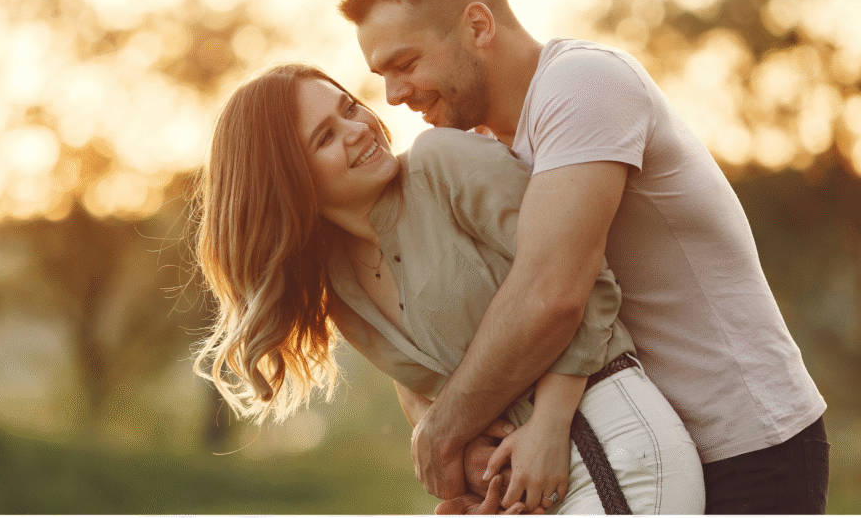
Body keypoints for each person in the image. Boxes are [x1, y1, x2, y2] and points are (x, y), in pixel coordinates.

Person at [338, 0, 829, 514]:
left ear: (477, 26)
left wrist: (439, 435)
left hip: (747, 446)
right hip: (628, 447)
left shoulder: (582, 86)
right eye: (383, 76)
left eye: (405, 63)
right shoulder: (486, 153)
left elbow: (553, 295)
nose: (394, 95)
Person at [194, 62, 705, 513]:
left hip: (614, 443)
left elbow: (582, 282)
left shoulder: (443, 163)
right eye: (324, 138)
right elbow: (434, 398)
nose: (357, 129)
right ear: (289, 181)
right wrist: (475, 480)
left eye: (349, 108)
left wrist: (550, 423)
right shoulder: (341, 292)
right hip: (531, 493)